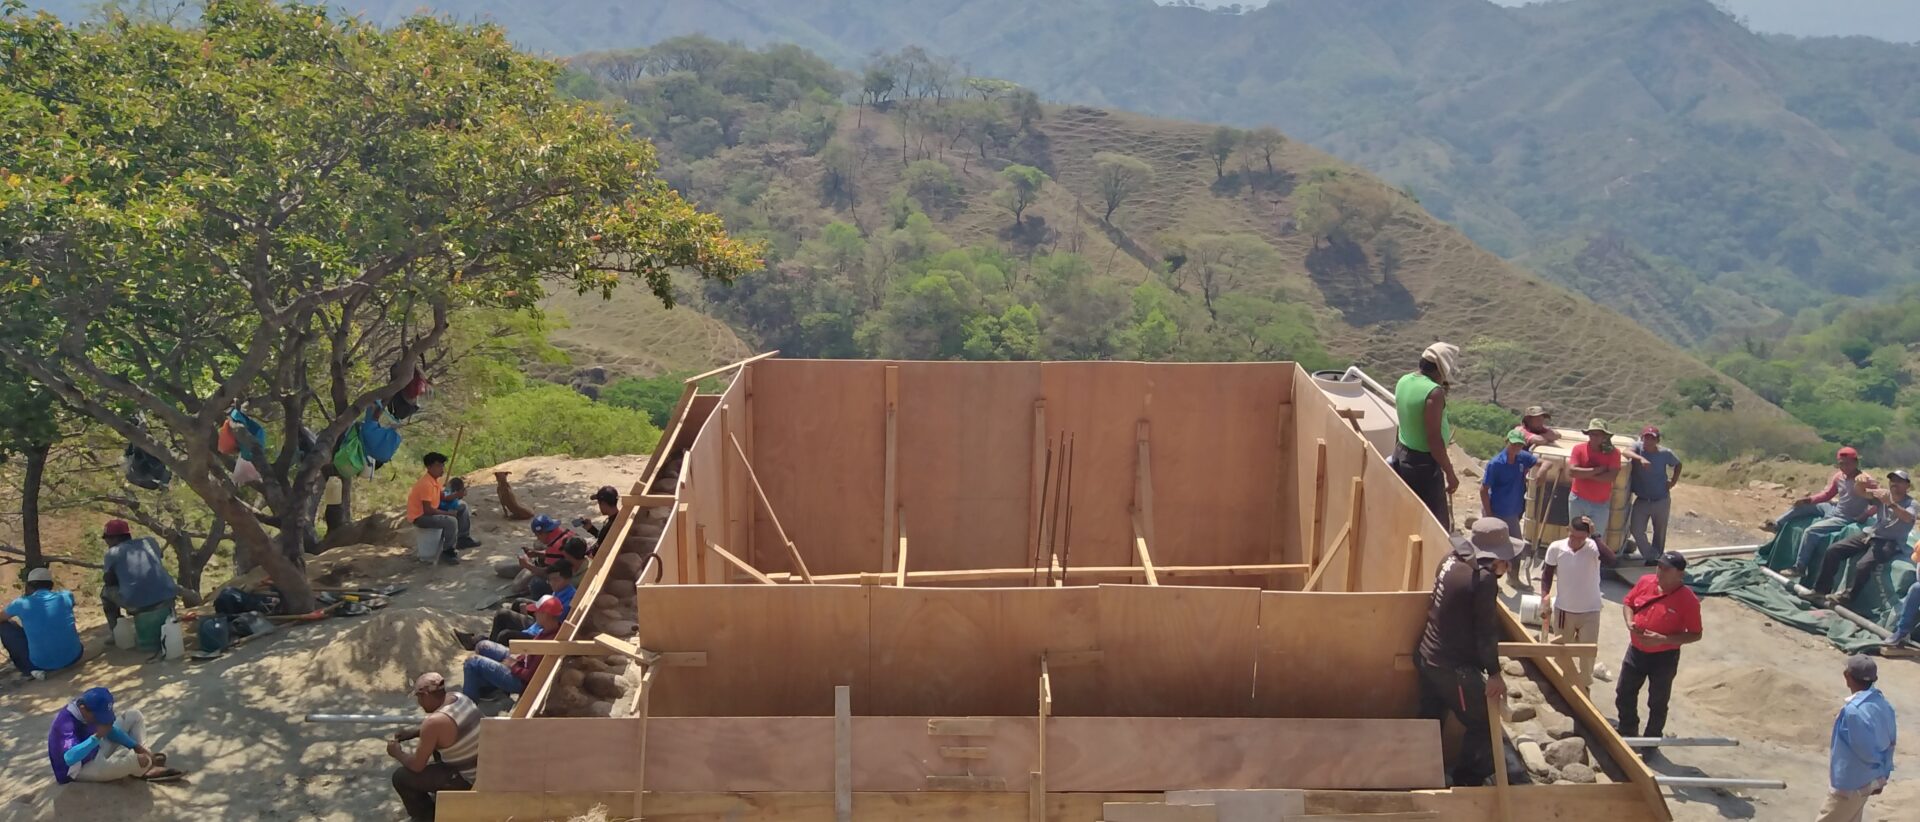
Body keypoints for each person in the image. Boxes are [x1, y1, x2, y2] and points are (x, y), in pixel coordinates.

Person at [1415, 517, 1519, 787]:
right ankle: (1466, 783)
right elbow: (1485, 632)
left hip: (1427, 654)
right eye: (1506, 560)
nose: (1507, 566)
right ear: (1495, 559)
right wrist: (1495, 674)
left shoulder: (1450, 560)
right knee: (1484, 721)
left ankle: (1422, 774)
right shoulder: (1484, 580)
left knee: (1430, 717)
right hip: (1452, 668)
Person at [1615, 552, 1704, 738]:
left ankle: (1651, 740)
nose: (1660, 571)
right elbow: (1628, 603)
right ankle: (1627, 729)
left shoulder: (1688, 600)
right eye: (1659, 566)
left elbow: (1696, 634)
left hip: (1664, 658)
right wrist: (1630, 622)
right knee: (1624, 692)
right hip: (1636, 651)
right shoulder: (1646, 582)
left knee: (1657, 702)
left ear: (1679, 574)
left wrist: (1663, 639)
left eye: (1666, 569)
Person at [1811, 470, 1918, 607]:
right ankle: (1820, 589)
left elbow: (1908, 517)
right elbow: (1862, 493)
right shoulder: (1883, 494)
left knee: (1863, 565)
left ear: (1907, 486)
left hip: (1891, 541)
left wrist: (1890, 503)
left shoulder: (1911, 503)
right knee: (1833, 550)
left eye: (1899, 481)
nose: (1894, 483)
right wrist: (1859, 483)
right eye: (1892, 480)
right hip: (1872, 534)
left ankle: (1847, 598)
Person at [390, 672, 482, 821]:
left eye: (419, 697)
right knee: (434, 747)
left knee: (400, 777)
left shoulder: (433, 723)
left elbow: (417, 766)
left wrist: (397, 753)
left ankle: (427, 816)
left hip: (470, 780)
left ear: (426, 695)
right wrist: (414, 733)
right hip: (482, 768)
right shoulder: (459, 698)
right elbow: (448, 729)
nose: (419, 703)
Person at [47, 686, 180, 783]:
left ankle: (145, 759)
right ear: (83, 709)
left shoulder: (89, 708)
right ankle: (142, 768)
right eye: (98, 716)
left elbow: (109, 729)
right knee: (137, 761)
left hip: (94, 749)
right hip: (78, 768)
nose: (100, 719)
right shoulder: (65, 723)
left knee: (133, 716)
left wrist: (135, 746)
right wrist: (97, 737)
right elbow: (69, 758)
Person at [1818, 655, 1895, 822]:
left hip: (1849, 785)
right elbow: (1890, 743)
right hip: (1867, 781)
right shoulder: (1883, 704)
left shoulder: (1852, 711)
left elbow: (1866, 751)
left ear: (1847, 676)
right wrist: (1881, 776)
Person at [1779, 448, 1875, 581]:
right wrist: (1809, 500)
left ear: (1856, 463)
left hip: (1845, 517)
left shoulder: (1866, 480)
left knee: (1811, 531)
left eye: (1847, 463)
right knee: (1802, 506)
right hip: (1835, 508)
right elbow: (1828, 494)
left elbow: (1878, 502)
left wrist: (1865, 515)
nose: (1844, 467)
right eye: (1841, 463)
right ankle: (1777, 524)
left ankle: (1800, 567)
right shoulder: (1839, 476)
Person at [1540, 517, 1613, 691]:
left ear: (1587, 536)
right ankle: (1562, 683)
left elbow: (1611, 560)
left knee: (1587, 653)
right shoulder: (1556, 547)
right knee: (1561, 649)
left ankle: (1585, 685)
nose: (1575, 541)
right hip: (1564, 609)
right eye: (1572, 537)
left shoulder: (1594, 548)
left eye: (1580, 538)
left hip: (1590, 610)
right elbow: (1547, 574)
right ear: (1568, 531)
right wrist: (1545, 595)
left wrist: (1596, 536)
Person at [1393, 342, 1460, 525]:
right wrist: (1450, 473)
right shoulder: (1433, 392)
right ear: (1440, 369)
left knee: (1407, 516)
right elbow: (1434, 440)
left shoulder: (1404, 380)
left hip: (1402, 454)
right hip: (1422, 464)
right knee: (1434, 524)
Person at [460, 595, 563, 702]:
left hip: (520, 681)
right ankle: (488, 689)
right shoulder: (550, 630)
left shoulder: (547, 645)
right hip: (521, 663)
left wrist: (513, 666)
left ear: (545, 615)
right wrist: (518, 658)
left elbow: (530, 677)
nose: (535, 614)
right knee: (483, 645)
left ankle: (468, 706)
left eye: (537, 612)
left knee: (471, 662)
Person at [1479, 429, 1539, 586]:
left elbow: (1540, 462)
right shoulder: (1496, 463)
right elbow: (1484, 489)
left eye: (1519, 445)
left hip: (1513, 511)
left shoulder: (1522, 458)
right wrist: (1489, 515)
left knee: (1515, 547)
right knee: (1494, 550)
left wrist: (1543, 471)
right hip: (1496, 510)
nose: (1516, 448)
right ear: (1507, 442)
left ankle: (1513, 579)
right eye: (1513, 444)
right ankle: (1490, 583)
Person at [3, 567, 84, 681]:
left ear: (29, 586)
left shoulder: (21, 603)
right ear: (51, 585)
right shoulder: (66, 596)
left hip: (41, 664)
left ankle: (29, 669)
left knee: (4, 626)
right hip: (75, 656)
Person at [99, 519, 178, 631]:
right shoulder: (149, 542)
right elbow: (159, 557)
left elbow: (109, 581)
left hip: (137, 604)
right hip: (167, 598)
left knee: (105, 593)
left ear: (114, 538)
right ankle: (171, 614)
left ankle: (117, 630)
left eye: (106, 538)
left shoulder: (112, 553)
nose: (106, 542)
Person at [409, 452, 479, 565]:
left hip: (430, 511)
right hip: (421, 517)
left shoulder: (434, 480)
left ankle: (463, 538)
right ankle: (448, 551)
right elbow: (427, 510)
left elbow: (443, 496)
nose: (442, 468)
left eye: (442, 465)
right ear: (429, 467)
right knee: (451, 521)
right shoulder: (426, 484)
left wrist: (457, 495)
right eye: (439, 466)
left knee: (462, 506)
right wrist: (448, 513)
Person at [1625, 426, 1682, 564]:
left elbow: (1678, 464)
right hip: (1643, 499)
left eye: (1652, 438)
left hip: (1661, 499)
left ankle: (1657, 561)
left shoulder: (1665, 453)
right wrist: (1640, 459)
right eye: (1646, 437)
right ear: (1642, 437)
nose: (1648, 441)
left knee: (1659, 531)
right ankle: (1651, 555)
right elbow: (1625, 452)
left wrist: (1673, 481)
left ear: (1657, 440)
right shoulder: (1638, 448)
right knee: (1636, 529)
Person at [1566, 420, 1623, 551]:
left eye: (1598, 434)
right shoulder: (1578, 449)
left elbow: (1611, 477)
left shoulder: (1614, 453)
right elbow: (1572, 471)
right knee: (1575, 533)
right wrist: (1597, 470)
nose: (1595, 437)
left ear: (1604, 436)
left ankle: (1592, 565)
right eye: (1592, 434)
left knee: (1595, 538)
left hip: (1600, 503)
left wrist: (1584, 474)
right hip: (1578, 499)